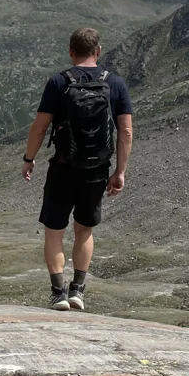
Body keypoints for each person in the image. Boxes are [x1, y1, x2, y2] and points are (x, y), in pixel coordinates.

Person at [21, 27, 133, 312]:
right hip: (96, 170)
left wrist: (29, 158)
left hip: (62, 167)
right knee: (84, 230)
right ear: (98, 50)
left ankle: (58, 293)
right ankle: (78, 291)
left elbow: (39, 127)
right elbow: (126, 132)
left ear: (71, 51)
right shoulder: (116, 83)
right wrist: (119, 171)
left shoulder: (59, 82)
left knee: (54, 230)